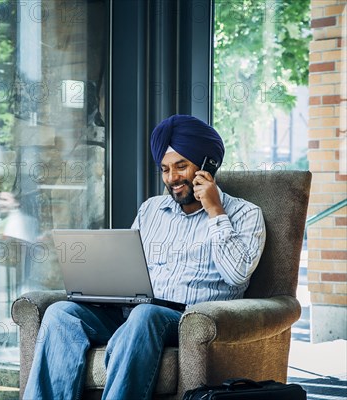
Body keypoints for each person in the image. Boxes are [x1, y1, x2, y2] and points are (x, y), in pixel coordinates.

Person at [23, 115, 267, 400]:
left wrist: (215, 211)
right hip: (133, 315)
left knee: (145, 314)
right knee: (61, 312)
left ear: (207, 165)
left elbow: (237, 274)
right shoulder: (151, 209)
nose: (172, 178)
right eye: (164, 169)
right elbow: (126, 269)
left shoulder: (245, 214)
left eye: (181, 167)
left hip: (187, 320)